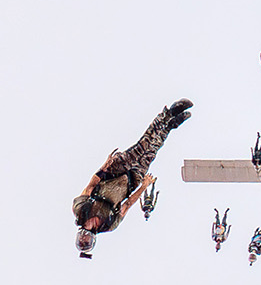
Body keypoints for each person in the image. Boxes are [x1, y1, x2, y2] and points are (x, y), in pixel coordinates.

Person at [73, 99, 194, 257]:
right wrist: (143, 186)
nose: (85, 237)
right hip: (130, 182)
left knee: (143, 145)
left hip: (113, 172)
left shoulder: (80, 211)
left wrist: (104, 166)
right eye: (86, 241)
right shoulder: (109, 224)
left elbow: (90, 186)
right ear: (93, 240)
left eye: (81, 239)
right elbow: (127, 205)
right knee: (152, 150)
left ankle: (168, 114)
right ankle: (170, 126)